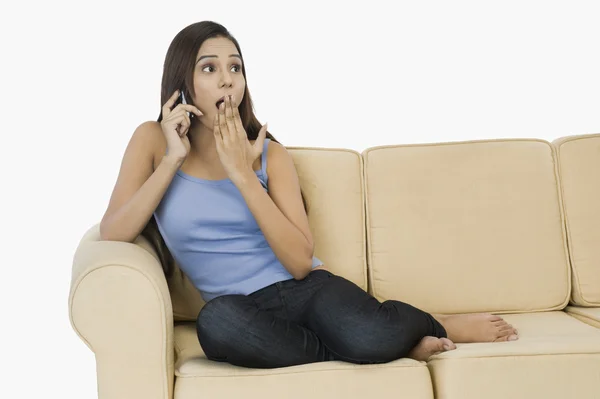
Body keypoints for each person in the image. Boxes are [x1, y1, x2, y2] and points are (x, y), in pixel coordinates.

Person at [100, 21, 519, 370]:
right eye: (209, 68)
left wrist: (244, 176)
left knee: (369, 332)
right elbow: (114, 231)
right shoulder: (152, 141)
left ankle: (432, 324)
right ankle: (368, 349)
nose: (227, 78)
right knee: (217, 325)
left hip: (308, 291)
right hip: (241, 309)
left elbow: (300, 263)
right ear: (183, 84)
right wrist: (173, 160)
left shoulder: (270, 154)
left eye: (235, 67)